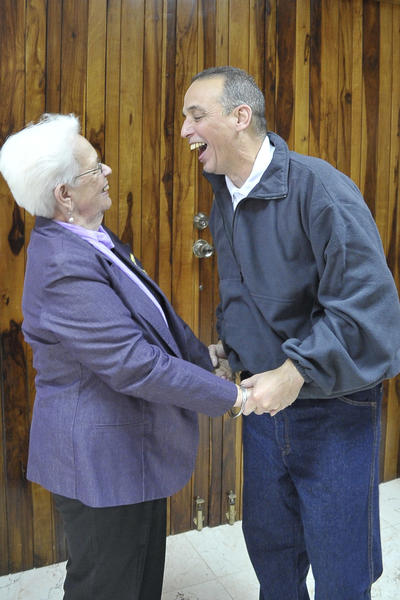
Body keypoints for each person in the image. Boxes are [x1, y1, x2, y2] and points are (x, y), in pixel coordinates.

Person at [0, 113, 249, 600]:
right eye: (96, 169)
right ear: (64, 195)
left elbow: (157, 315)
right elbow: (135, 363)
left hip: (130, 447)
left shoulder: (92, 236)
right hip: (97, 458)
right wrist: (231, 397)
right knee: (106, 584)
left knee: (140, 574)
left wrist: (206, 358)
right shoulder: (61, 268)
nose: (108, 172)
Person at [181, 66, 400, 600]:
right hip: (262, 410)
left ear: (240, 116)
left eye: (196, 115)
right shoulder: (224, 195)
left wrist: (297, 368)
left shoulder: (319, 188)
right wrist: (231, 349)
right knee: (272, 552)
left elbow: (367, 305)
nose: (185, 130)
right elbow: (244, 288)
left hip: (333, 408)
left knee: (340, 564)